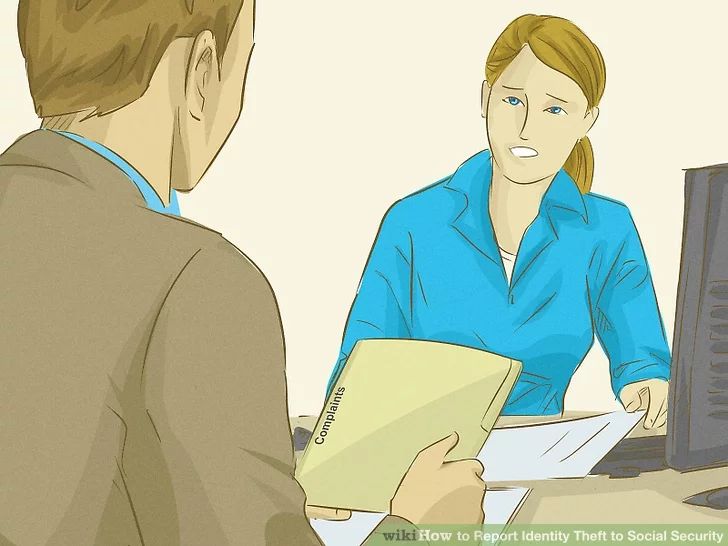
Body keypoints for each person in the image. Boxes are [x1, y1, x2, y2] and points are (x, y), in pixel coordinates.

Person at [0, 1, 485, 544]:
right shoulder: (196, 280)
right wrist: (419, 528)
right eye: (242, 66)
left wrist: (251, 478)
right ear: (203, 71)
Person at [327, 14, 670, 427]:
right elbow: (356, 374)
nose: (527, 128)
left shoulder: (606, 229)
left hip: (545, 464)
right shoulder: (414, 223)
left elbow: (642, 360)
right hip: (421, 461)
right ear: (486, 98)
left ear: (586, 122)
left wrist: (649, 386)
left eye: (555, 109)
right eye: (513, 100)